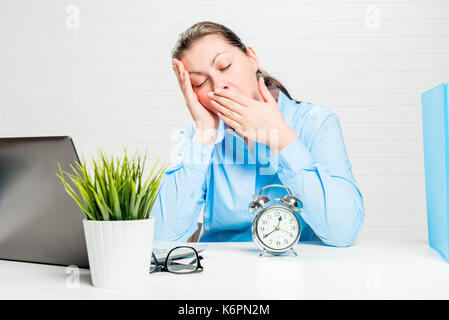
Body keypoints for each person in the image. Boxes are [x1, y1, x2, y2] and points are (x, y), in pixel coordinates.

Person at [150, 21, 365, 247]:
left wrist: (281, 136)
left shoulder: (316, 123)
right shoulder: (198, 137)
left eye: (224, 66)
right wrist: (204, 133)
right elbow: (160, 239)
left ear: (251, 58)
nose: (219, 85)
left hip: (302, 270)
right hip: (222, 272)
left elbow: (344, 231)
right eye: (200, 83)